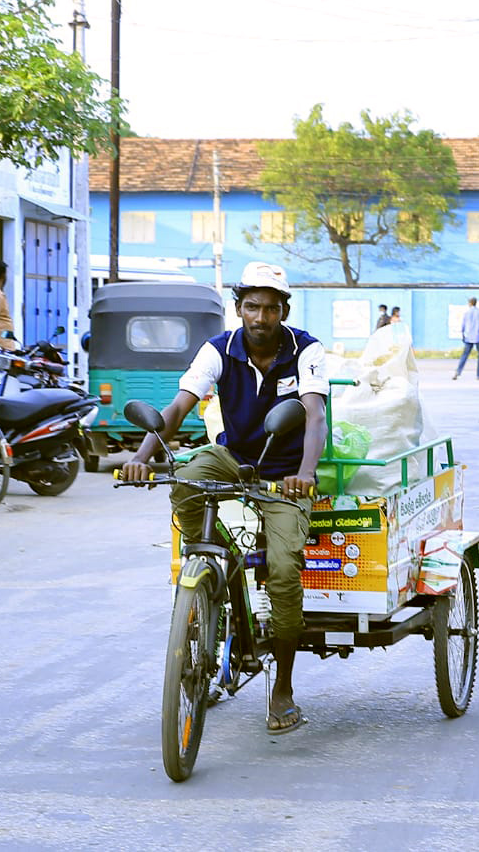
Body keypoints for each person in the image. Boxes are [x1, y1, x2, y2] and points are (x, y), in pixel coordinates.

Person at [120, 261, 329, 735]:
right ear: (239, 309)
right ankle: (212, 561)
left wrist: (304, 475)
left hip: (283, 476)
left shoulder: (307, 350)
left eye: (271, 308)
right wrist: (140, 456)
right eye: (252, 306)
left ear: (284, 311)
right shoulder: (218, 349)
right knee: (188, 475)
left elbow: (314, 416)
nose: (261, 316)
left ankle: (283, 689)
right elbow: (178, 407)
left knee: (282, 569)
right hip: (235, 459)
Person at [452, 297, 479, 381]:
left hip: (468, 337)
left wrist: (463, 336)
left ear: (470, 303)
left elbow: (463, 326)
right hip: (478, 337)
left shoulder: (466, 313)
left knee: (464, 355)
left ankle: (457, 372)